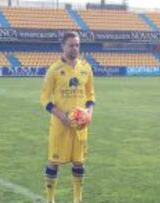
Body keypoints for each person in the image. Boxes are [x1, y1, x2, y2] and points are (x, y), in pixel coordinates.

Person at [40, 31, 95, 203]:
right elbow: (44, 98)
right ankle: (50, 199)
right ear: (63, 46)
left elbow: (91, 96)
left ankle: (77, 199)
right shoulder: (54, 70)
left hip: (80, 126)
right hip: (60, 124)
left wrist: (88, 114)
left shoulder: (86, 68)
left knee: (79, 162)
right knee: (53, 162)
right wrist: (61, 115)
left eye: (77, 45)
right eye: (71, 45)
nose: (74, 48)